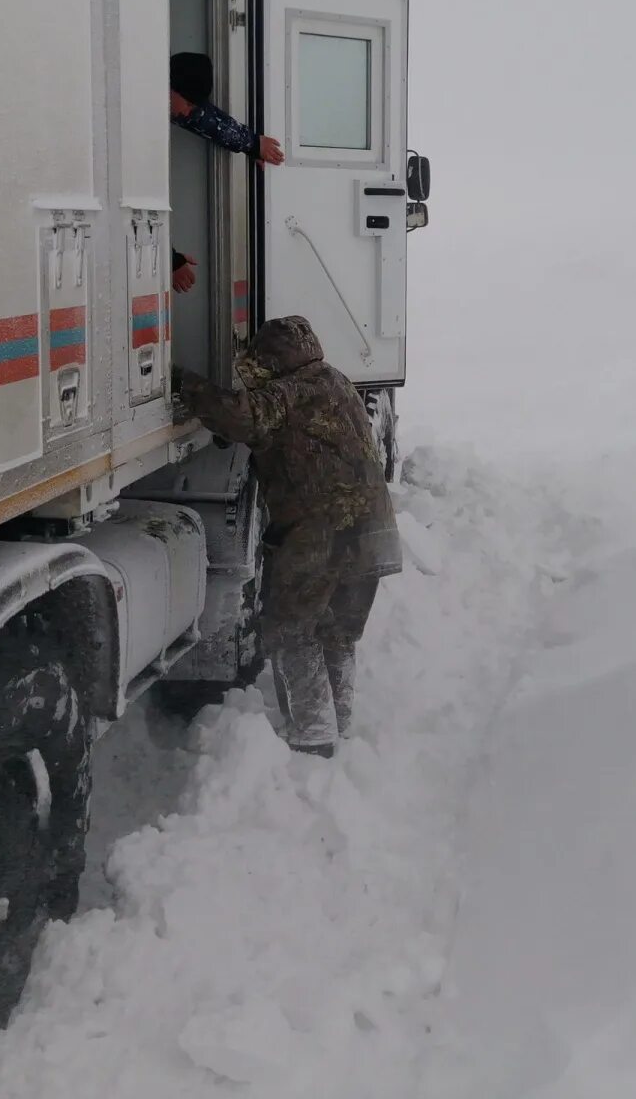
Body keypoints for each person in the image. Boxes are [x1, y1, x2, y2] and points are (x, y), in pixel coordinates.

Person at [174, 317, 401, 757]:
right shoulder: (334, 381)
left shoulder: (292, 390)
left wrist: (186, 383)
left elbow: (242, 417)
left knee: (293, 631)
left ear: (273, 360)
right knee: (336, 632)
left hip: (322, 532)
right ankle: (343, 720)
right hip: (373, 530)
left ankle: (313, 736)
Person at [168, 52, 285, 293]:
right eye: (189, 103)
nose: (188, 113)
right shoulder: (137, 107)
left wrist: (252, 144)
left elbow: (206, 120)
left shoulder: (171, 97)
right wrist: (170, 260)